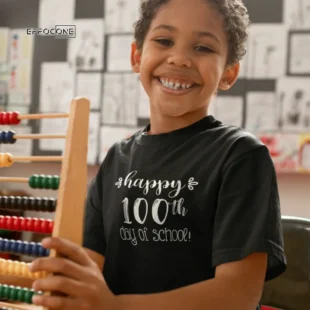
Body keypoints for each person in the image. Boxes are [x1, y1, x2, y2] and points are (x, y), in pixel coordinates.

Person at [29, 0, 287, 309]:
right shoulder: (117, 159)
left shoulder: (241, 156)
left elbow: (238, 295)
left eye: (203, 48)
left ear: (228, 74)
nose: (179, 59)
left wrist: (114, 306)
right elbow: (89, 272)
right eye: (164, 41)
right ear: (137, 56)